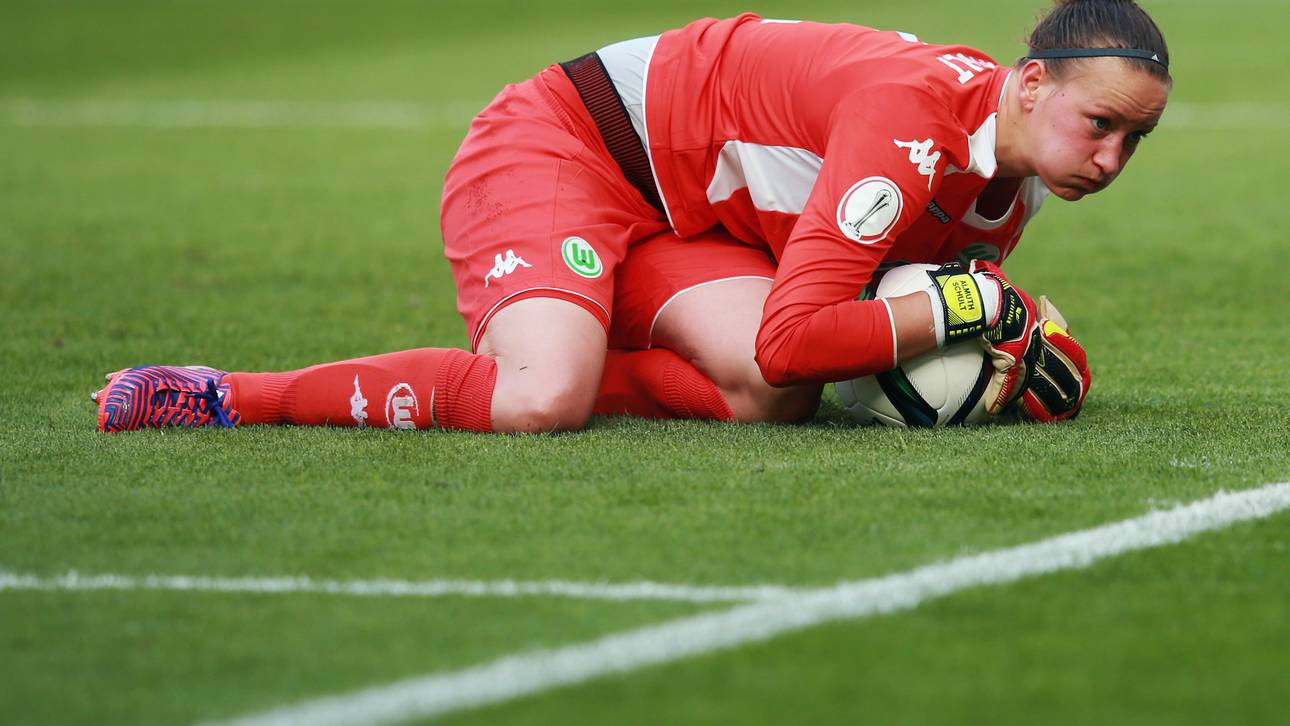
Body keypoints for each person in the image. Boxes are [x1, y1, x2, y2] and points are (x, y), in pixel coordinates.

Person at [94, 0, 1170, 434]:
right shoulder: (909, 124)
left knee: (768, 403)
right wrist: (976, 310)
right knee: (542, 400)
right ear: (1031, 83)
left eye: (1135, 139)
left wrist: (1013, 350)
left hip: (680, 218)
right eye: (1100, 124)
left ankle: (580, 317)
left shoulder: (1011, 177)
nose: (1112, 159)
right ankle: (224, 395)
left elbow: (824, 342)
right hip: (567, 145)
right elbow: (804, 332)